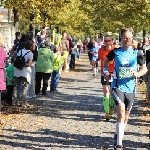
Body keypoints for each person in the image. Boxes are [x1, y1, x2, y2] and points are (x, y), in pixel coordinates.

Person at [103, 28, 147, 150]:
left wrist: (137, 74)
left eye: (129, 37)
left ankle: (118, 134)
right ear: (121, 38)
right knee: (121, 112)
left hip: (131, 88)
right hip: (117, 86)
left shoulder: (137, 53)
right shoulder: (115, 52)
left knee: (126, 116)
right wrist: (106, 72)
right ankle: (119, 144)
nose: (127, 39)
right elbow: (106, 62)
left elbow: (144, 69)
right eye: (124, 37)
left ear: (132, 38)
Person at [98, 36, 115, 121]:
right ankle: (106, 112)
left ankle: (111, 106)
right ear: (104, 42)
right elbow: (100, 59)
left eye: (109, 40)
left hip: (114, 73)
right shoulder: (101, 50)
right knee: (105, 91)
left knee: (112, 91)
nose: (107, 42)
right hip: (104, 73)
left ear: (111, 41)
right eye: (106, 41)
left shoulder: (115, 49)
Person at [14, 40, 34, 107]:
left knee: (16, 86)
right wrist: (32, 64)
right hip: (25, 71)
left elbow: (16, 59)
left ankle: (15, 101)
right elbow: (29, 64)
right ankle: (23, 102)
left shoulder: (20, 50)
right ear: (31, 47)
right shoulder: (30, 53)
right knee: (25, 87)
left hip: (17, 70)